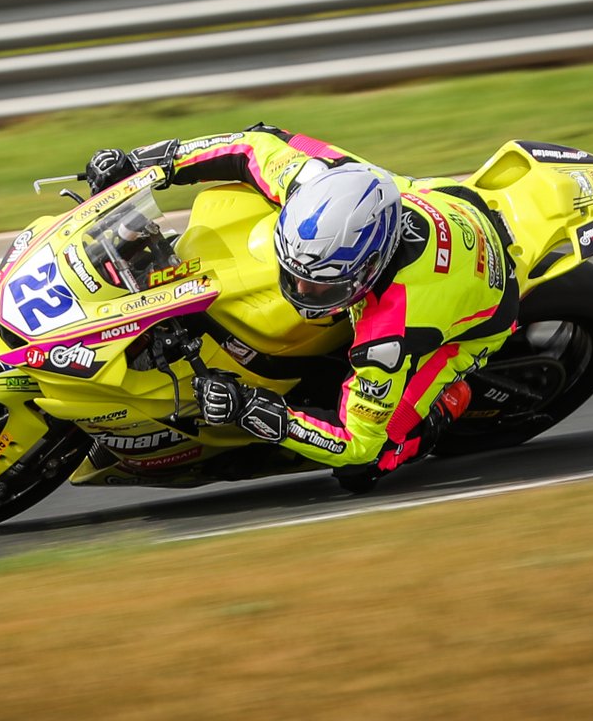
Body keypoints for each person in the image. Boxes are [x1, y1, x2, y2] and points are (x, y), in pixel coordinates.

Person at [84, 123, 518, 488]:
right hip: (436, 198)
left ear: (370, 268)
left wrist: (251, 408)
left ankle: (451, 402)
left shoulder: (391, 331)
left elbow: (354, 442)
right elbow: (249, 147)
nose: (301, 292)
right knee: (266, 134)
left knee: (365, 467)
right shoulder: (319, 181)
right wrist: (142, 163)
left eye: (319, 287)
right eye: (296, 278)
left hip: (482, 312)